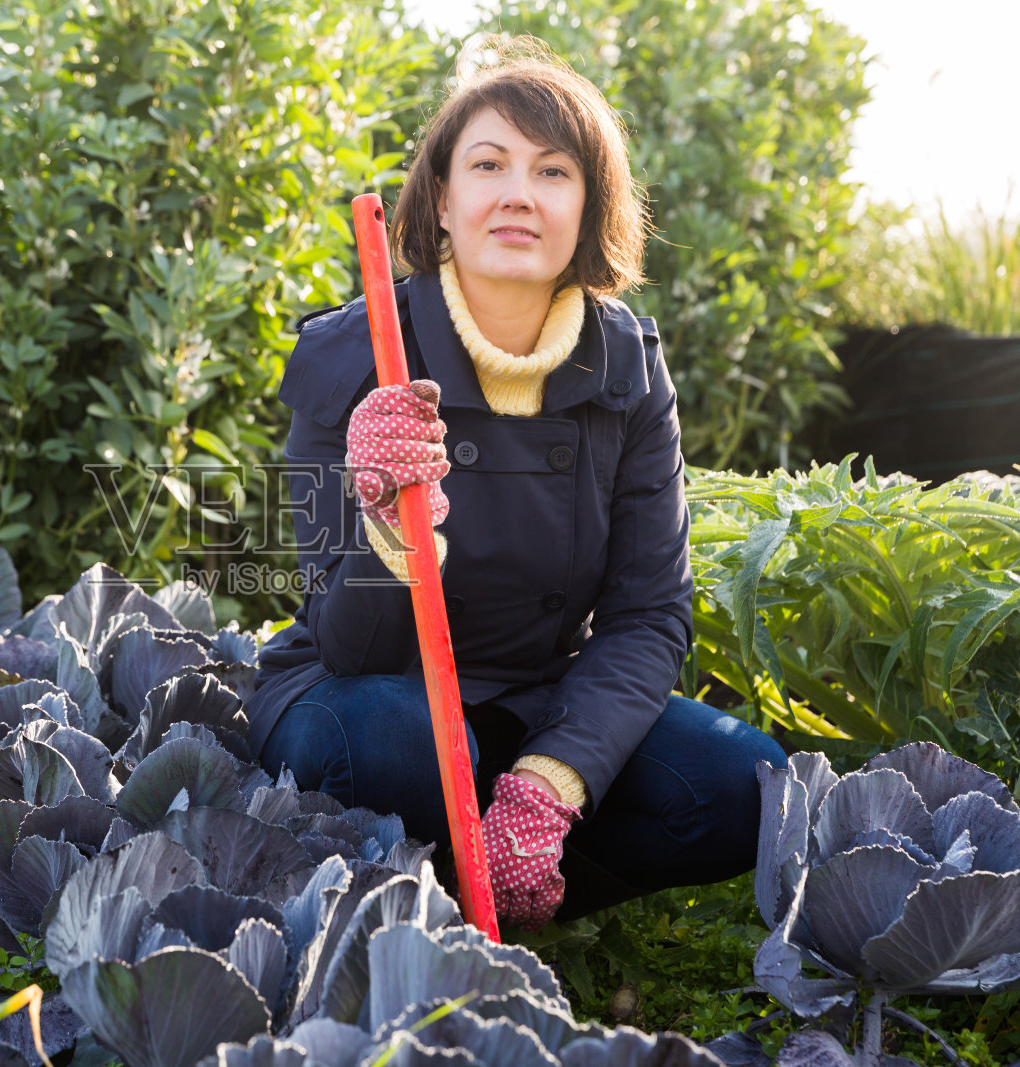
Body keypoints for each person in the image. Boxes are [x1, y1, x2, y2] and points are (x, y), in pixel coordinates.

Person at [246, 35, 787, 930]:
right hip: (372, 695)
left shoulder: (628, 369)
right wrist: (387, 519)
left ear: (588, 208)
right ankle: (425, 897)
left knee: (743, 782)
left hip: (537, 697)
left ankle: (507, 873)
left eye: (554, 171)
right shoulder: (353, 357)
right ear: (444, 201)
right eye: (489, 164)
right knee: (377, 739)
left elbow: (650, 613)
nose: (518, 195)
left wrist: (549, 781)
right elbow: (348, 643)